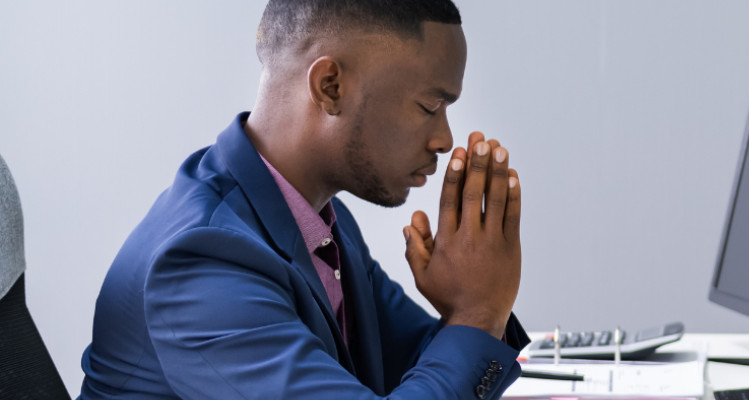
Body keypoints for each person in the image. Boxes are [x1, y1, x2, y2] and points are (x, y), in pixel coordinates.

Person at [78, 1, 529, 398]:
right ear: (330, 86)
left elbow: (422, 363)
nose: (445, 139)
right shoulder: (202, 263)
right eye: (430, 107)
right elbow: (457, 352)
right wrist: (477, 311)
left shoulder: (325, 222)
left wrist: (472, 303)